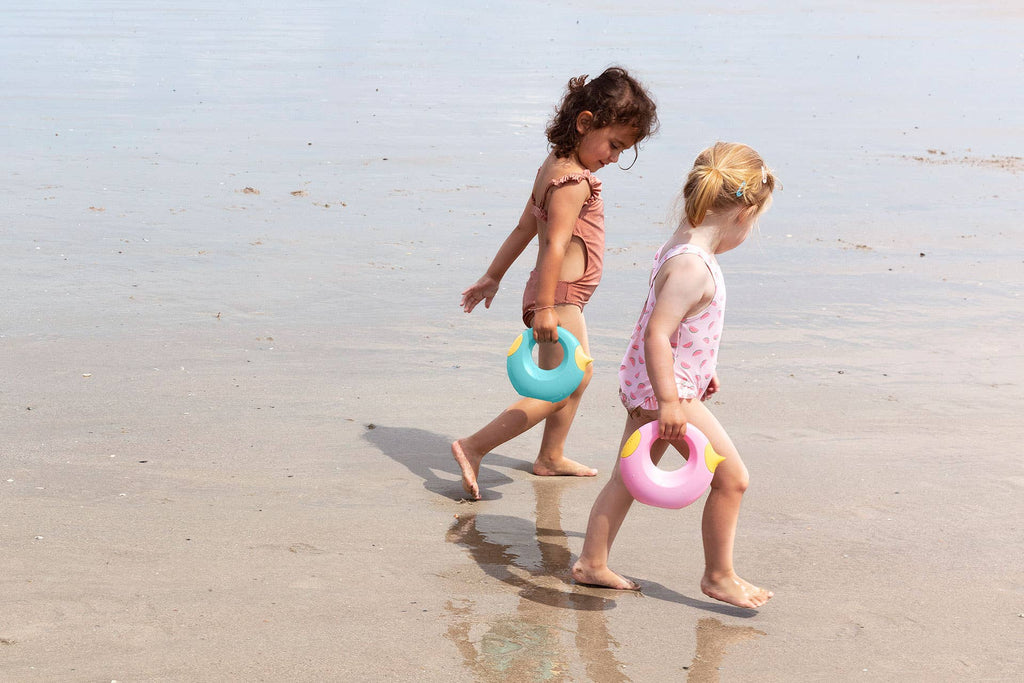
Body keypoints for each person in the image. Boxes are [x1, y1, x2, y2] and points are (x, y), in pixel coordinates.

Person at [571, 142, 777, 609]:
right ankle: (718, 575)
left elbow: (681, 327)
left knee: (628, 475)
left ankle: (591, 561)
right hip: (668, 392)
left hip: (665, 383)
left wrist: (705, 366)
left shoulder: (681, 246)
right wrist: (669, 401)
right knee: (732, 479)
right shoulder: (691, 266)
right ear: (742, 216)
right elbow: (658, 335)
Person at [452, 67, 659, 501]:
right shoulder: (572, 182)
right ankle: (475, 446)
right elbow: (552, 246)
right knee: (563, 383)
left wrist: (493, 276)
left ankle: (551, 456)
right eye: (614, 145)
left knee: (573, 379)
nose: (614, 157)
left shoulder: (553, 166)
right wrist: (545, 307)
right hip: (559, 299)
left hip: (559, 297)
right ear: (585, 123)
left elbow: (524, 227)